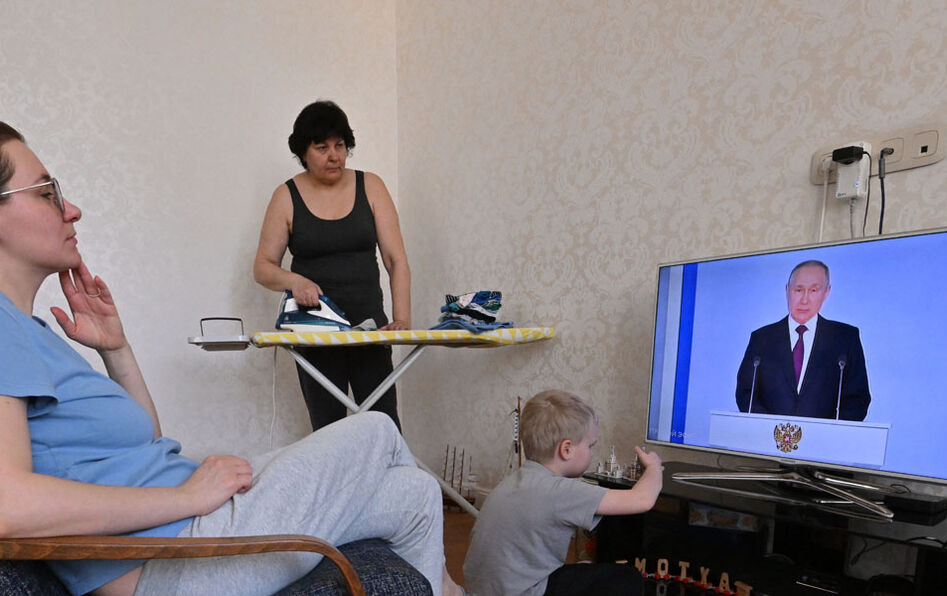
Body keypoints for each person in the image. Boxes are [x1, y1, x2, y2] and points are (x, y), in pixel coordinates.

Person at [0, 122, 461, 596]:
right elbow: (7, 506)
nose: (71, 209)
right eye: (46, 193)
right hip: (173, 559)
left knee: (414, 495)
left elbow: (145, 441)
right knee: (375, 429)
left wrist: (116, 349)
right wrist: (187, 497)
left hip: (187, 529)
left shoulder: (29, 330)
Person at [254, 100, 410, 432]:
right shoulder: (286, 196)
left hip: (370, 331)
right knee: (328, 430)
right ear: (303, 152)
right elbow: (263, 267)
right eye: (322, 148)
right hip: (315, 334)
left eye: (339, 145)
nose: (334, 156)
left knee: (383, 425)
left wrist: (402, 320)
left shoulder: (371, 186)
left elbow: (396, 260)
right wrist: (295, 281)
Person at [463, 390, 664, 596]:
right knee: (628, 578)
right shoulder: (559, 491)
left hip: (482, 591)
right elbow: (642, 499)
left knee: (585, 568)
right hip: (525, 592)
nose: (591, 453)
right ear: (566, 449)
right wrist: (654, 467)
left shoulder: (510, 483)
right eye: (590, 446)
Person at [735, 260, 871, 421]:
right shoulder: (762, 338)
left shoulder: (845, 338)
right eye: (798, 290)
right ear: (787, 290)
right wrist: (773, 429)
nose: (804, 300)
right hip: (769, 435)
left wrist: (827, 431)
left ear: (826, 292)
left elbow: (857, 399)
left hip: (824, 436)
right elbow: (746, 393)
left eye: (813, 290)